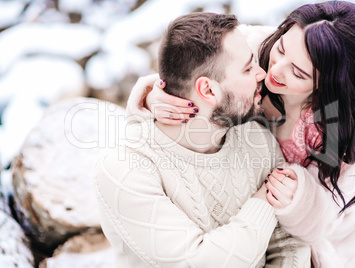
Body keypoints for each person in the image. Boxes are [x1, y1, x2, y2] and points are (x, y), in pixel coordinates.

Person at [127, 1, 355, 267]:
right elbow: (193, 75)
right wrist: (156, 96)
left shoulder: (348, 127)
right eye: (280, 49)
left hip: (325, 249)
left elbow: (326, 219)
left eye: (298, 72)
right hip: (238, 223)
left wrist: (300, 199)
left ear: (328, 85)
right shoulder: (250, 49)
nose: (274, 70)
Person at [94, 12, 311, 267]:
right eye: (247, 68)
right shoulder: (125, 170)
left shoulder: (256, 138)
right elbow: (198, 262)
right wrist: (264, 201)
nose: (262, 73)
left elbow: (288, 244)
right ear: (208, 90)